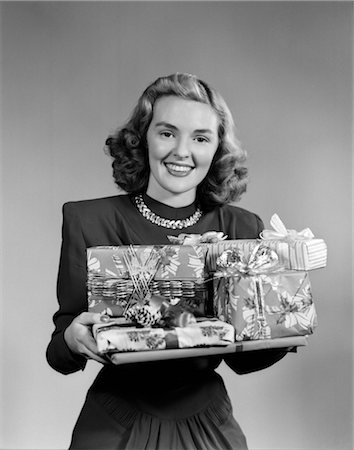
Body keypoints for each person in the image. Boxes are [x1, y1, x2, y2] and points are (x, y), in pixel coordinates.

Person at [47, 73, 290, 450]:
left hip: (208, 421)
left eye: (200, 138)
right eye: (167, 133)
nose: (182, 151)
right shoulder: (90, 221)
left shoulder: (241, 227)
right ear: (142, 138)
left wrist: (283, 321)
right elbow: (59, 351)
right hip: (115, 424)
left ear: (216, 149)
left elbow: (244, 361)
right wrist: (73, 339)